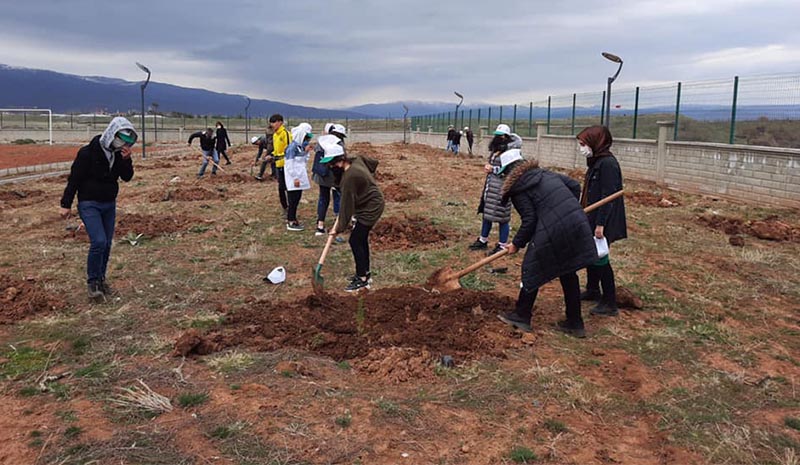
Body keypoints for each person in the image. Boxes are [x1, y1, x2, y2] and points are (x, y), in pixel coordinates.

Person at [496, 148, 598, 338]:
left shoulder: (519, 187)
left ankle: (521, 315)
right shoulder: (544, 174)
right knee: (568, 271)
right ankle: (575, 323)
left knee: (531, 267)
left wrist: (517, 244)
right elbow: (575, 186)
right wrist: (566, 208)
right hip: (576, 221)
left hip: (555, 228)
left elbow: (530, 220)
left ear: (509, 171)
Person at [59, 117, 137, 300]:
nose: (121, 144)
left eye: (125, 143)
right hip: (89, 203)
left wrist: (127, 161)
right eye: (120, 139)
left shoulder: (118, 155)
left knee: (107, 244)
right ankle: (92, 283)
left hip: (109, 203)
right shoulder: (87, 153)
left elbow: (127, 177)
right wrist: (65, 204)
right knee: (99, 241)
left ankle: (101, 279)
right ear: (111, 133)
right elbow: (74, 179)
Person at [319, 136, 384, 292]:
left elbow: (346, 207)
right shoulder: (355, 160)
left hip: (371, 207)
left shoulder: (350, 178)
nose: (330, 167)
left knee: (355, 240)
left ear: (340, 161)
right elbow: (372, 163)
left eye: (331, 164)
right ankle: (365, 272)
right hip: (367, 203)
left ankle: (362, 279)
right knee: (360, 238)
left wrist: (338, 228)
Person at [577, 125, 627, 316]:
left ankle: (609, 302)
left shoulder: (608, 164)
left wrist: (600, 224)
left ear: (595, 142)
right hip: (591, 215)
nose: (582, 147)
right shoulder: (595, 161)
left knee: (601, 258)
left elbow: (609, 196)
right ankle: (592, 289)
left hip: (602, 219)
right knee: (592, 253)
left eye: (583, 144)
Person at [468, 123, 521, 254]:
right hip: (491, 187)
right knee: (487, 214)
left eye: (500, 136)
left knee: (502, 217)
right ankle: (483, 240)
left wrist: (494, 169)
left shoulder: (512, 152)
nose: (497, 138)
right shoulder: (497, 149)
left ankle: (502, 245)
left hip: (503, 189)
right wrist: (490, 167)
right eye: (496, 135)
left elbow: (512, 171)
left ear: (506, 137)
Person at [311, 123, 345, 236]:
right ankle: (338, 223)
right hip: (334, 175)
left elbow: (316, 151)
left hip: (321, 174)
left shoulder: (322, 140)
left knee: (323, 198)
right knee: (339, 197)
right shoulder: (339, 142)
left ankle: (320, 226)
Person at [283, 122, 314, 231]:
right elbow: (289, 164)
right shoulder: (292, 147)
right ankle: (290, 221)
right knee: (293, 199)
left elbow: (303, 161)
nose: (307, 139)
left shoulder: (300, 147)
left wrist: (306, 152)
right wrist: (295, 177)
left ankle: (293, 218)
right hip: (294, 177)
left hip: (299, 175)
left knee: (297, 198)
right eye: (306, 136)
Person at [269, 114, 292, 218]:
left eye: (274, 122)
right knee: (281, 187)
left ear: (280, 122)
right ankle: (285, 207)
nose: (272, 125)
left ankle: (291, 208)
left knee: (288, 188)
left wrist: (278, 157)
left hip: (286, 165)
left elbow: (289, 150)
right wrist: (272, 155)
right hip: (278, 165)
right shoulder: (275, 135)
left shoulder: (285, 134)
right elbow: (277, 150)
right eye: (271, 122)